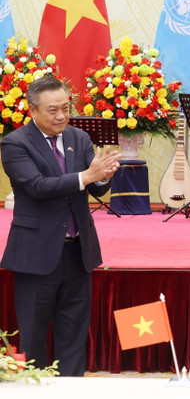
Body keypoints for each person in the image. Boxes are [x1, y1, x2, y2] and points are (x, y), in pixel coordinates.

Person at [0, 75, 121, 376]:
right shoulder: (14, 143)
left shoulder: (78, 138)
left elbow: (97, 188)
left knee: (74, 337)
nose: (62, 116)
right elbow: (38, 186)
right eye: (53, 110)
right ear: (32, 111)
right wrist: (87, 177)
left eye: (66, 108)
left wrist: (104, 174)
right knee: (33, 339)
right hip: (36, 255)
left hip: (78, 253)